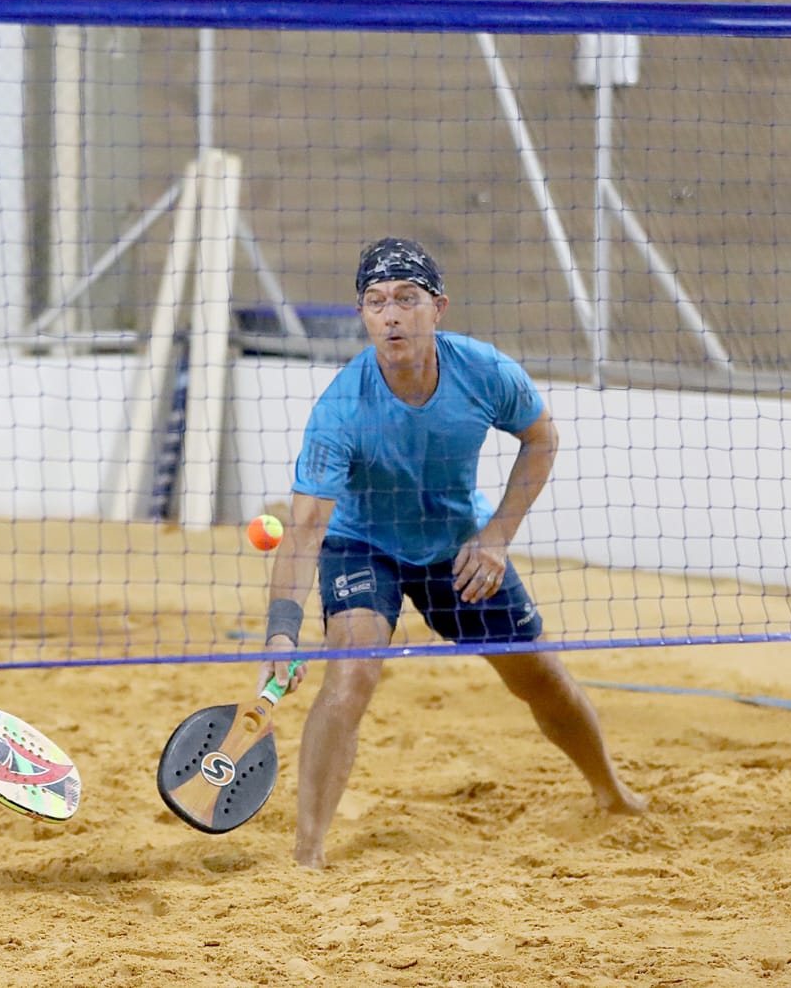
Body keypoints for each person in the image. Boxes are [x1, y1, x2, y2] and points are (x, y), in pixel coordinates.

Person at [258, 237, 645, 870]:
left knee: (540, 675)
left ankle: (612, 791)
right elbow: (304, 532)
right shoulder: (340, 411)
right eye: (376, 302)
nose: (391, 315)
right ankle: (309, 854)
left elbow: (542, 440)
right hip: (363, 546)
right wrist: (281, 631)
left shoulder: (485, 371)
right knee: (351, 672)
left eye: (406, 299)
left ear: (437, 307)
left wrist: (496, 537)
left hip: (456, 544)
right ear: (362, 315)